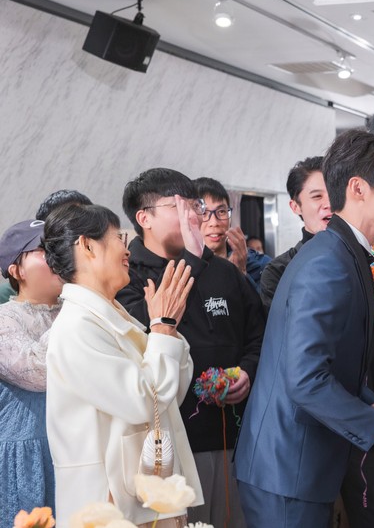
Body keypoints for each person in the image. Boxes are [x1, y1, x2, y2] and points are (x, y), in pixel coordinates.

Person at [235, 129, 374, 528]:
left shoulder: (347, 253)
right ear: (358, 188)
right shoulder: (328, 262)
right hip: (287, 467)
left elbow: (337, 363)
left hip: (303, 462)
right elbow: (305, 378)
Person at [118, 168, 264, 528]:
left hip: (235, 436)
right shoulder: (129, 277)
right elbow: (143, 338)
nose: (194, 216)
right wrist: (193, 260)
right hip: (171, 442)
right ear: (144, 218)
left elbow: (258, 334)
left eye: (194, 206)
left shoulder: (224, 272)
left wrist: (248, 370)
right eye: (179, 207)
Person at [43, 204, 202, 527]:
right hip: (111, 504)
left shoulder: (112, 314)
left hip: (147, 495)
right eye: (119, 238)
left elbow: (169, 395)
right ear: (87, 246)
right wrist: (162, 328)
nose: (127, 250)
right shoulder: (76, 327)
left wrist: (167, 329)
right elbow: (143, 402)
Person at [0, 220, 62, 527]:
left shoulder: (74, 308)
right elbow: (38, 372)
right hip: (26, 457)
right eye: (43, 249)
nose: (57, 255)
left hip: (74, 448)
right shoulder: (5, 318)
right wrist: (76, 308)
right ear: (17, 270)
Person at [258, 156, 331, 313]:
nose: (329, 204)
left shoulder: (365, 256)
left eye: (334, 193)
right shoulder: (278, 271)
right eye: (317, 196)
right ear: (296, 207)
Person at [193, 177, 271, 288]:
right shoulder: (181, 268)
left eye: (221, 211)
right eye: (204, 212)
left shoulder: (259, 265)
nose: (214, 222)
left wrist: (241, 272)